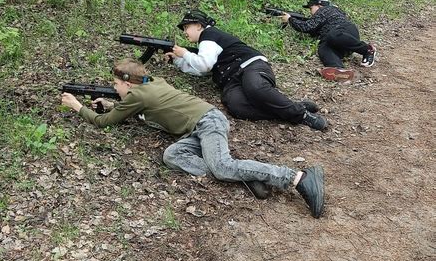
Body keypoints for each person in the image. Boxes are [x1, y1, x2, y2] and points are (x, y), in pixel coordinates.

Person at [61, 59, 325, 216]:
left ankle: (296, 177)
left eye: (116, 85)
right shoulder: (152, 83)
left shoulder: (137, 95)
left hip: (208, 122)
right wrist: (112, 104)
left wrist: (76, 105)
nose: (114, 89)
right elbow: (136, 108)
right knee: (172, 155)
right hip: (196, 129)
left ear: (128, 85)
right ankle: (247, 175)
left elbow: (103, 123)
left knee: (221, 167)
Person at [164, 9, 327, 131]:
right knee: (237, 106)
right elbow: (201, 70)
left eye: (186, 27)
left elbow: (204, 65)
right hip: (230, 81)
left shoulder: (209, 35)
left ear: (199, 25)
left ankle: (302, 115)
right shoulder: (204, 46)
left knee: (255, 87)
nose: (185, 32)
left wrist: (184, 53)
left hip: (250, 66)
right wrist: (178, 60)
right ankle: (293, 107)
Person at [279, 0, 377, 81]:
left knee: (333, 35)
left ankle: (367, 49)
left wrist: (290, 19)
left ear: (319, 5)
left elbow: (307, 27)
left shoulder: (326, 9)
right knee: (323, 48)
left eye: (310, 8)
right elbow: (310, 27)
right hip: (340, 42)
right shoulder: (321, 17)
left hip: (344, 30)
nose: (310, 11)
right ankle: (338, 70)